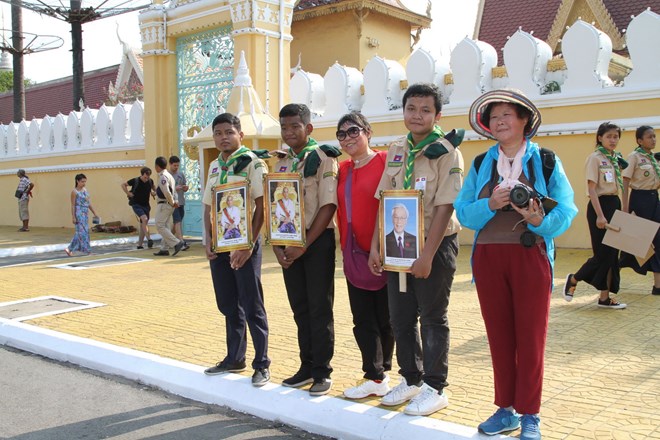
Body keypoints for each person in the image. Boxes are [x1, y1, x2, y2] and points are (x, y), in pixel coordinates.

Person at [455, 89, 577, 439]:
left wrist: (538, 220)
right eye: (494, 117)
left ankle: (530, 415)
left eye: (508, 115)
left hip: (531, 255)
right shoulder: (480, 163)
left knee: (531, 338)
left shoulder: (546, 160)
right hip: (490, 258)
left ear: (525, 120)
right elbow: (463, 212)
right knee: (499, 337)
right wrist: (490, 204)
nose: (500, 121)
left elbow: (567, 209)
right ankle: (505, 409)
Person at [367, 83, 464, 416]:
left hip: (434, 245)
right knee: (400, 316)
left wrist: (426, 255)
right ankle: (411, 378)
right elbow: (384, 200)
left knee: (433, 317)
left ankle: (435, 387)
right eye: (411, 108)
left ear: (437, 115)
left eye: (425, 110)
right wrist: (376, 247)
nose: (417, 115)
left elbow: (445, 206)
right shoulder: (396, 149)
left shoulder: (447, 150)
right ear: (403, 111)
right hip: (398, 244)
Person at [273, 103, 340, 396]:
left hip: (316, 242)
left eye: (295, 126)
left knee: (319, 308)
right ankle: (305, 366)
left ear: (308, 128)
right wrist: (277, 246)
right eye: (284, 127)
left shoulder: (324, 157)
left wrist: (303, 245)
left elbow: (328, 206)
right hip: (289, 243)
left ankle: (322, 371)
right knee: (299, 308)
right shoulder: (282, 162)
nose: (289, 132)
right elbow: (276, 205)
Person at [202, 113, 271, 387]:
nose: (223, 138)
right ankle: (234, 358)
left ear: (240, 134)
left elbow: (261, 207)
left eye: (229, 132)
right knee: (229, 304)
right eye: (218, 133)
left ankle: (262, 364)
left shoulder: (254, 163)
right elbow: (208, 206)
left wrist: (249, 245)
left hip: (245, 246)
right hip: (220, 245)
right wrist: (206, 239)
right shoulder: (214, 167)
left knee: (252, 304)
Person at [335, 111, 394, 400]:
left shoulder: (386, 161)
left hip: (386, 250)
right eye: (342, 134)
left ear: (368, 132)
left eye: (353, 131)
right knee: (363, 318)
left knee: (388, 317)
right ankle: (375, 375)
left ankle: (386, 372)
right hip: (353, 253)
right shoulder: (342, 169)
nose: (348, 138)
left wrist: (380, 246)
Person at [565, 122, 627, 309]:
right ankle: (574, 279)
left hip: (614, 203)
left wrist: (623, 210)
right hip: (600, 205)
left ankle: (604, 298)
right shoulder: (595, 158)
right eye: (609, 136)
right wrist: (600, 216)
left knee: (611, 255)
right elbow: (591, 189)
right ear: (600, 137)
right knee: (602, 254)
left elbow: (619, 186)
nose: (613, 140)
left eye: (616, 136)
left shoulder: (615, 158)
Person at [620, 125, 660, 295]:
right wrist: (625, 207)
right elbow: (625, 182)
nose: (654, 139)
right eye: (649, 137)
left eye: (654, 136)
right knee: (634, 242)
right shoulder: (634, 157)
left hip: (654, 199)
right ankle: (613, 271)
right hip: (639, 199)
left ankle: (657, 286)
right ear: (639, 140)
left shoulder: (654, 158)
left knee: (658, 240)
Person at [153, 156, 184, 257]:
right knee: (165, 225)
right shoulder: (169, 175)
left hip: (164, 204)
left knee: (159, 225)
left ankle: (176, 242)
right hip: (169, 204)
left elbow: (166, 191)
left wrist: (172, 202)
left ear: (157, 166)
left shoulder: (163, 177)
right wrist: (174, 201)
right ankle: (164, 248)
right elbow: (172, 190)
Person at [65, 173, 100, 257]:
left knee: (84, 232)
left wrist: (94, 213)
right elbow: (73, 205)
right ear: (77, 181)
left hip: (85, 212)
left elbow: (88, 203)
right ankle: (87, 251)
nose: (84, 183)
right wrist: (73, 216)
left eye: (85, 181)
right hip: (79, 212)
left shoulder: (85, 190)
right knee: (81, 232)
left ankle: (70, 249)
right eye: (82, 181)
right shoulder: (74, 192)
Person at [121, 167, 156, 249]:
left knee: (143, 224)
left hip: (146, 205)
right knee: (144, 219)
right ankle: (149, 239)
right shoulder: (135, 181)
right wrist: (128, 193)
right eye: (145, 177)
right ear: (142, 175)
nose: (146, 179)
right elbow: (123, 184)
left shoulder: (150, 181)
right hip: (136, 204)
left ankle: (139, 245)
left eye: (148, 177)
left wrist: (154, 193)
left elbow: (155, 189)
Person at [169, 156, 190, 250]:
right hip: (173, 202)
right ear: (170, 164)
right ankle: (181, 242)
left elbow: (184, 186)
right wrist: (174, 189)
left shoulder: (181, 174)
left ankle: (167, 241)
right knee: (177, 221)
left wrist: (185, 188)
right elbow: (164, 190)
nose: (176, 167)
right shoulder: (167, 175)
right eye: (174, 165)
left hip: (181, 201)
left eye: (177, 165)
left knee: (177, 223)